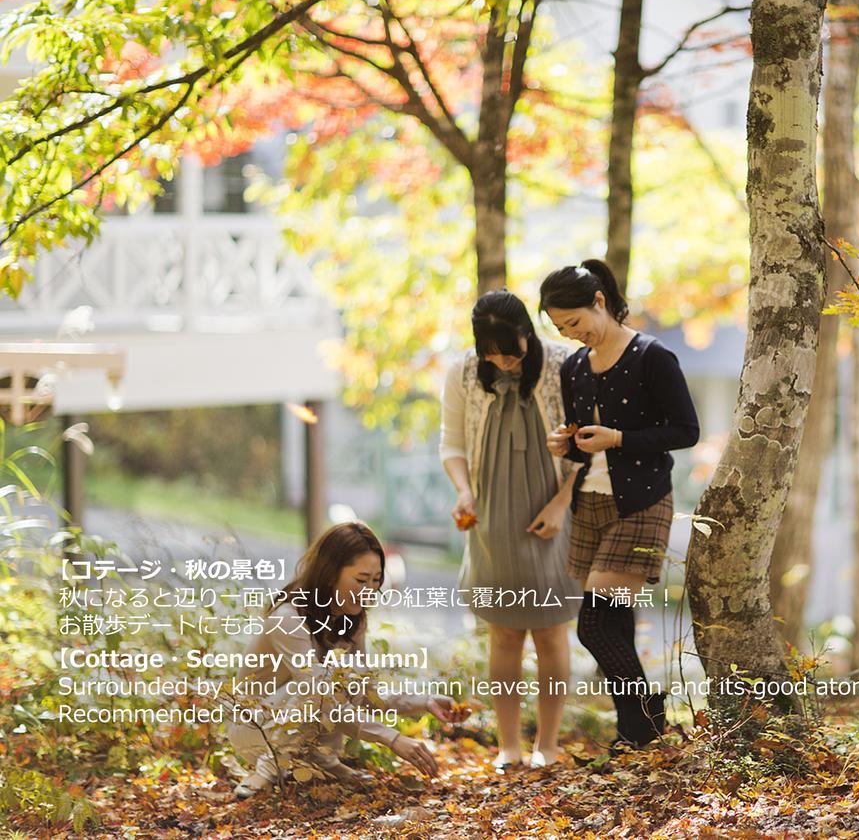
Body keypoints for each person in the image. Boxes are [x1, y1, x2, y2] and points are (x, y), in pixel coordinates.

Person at [539, 259, 700, 749]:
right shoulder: (573, 368)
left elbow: (685, 431)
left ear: (600, 302)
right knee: (614, 625)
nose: (572, 334)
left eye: (576, 322)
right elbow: (582, 436)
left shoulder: (652, 356)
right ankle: (637, 731)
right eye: (562, 328)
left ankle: (647, 714)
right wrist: (564, 443)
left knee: (592, 623)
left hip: (642, 501)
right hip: (590, 502)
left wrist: (619, 438)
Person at [439, 291, 582, 770]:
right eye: (492, 352)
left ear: (529, 333)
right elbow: (452, 443)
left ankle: (548, 743)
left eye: (511, 350)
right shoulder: (462, 372)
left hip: (552, 509)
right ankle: (509, 746)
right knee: (503, 633)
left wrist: (564, 503)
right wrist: (463, 490)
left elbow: (591, 440)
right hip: (491, 511)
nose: (502, 360)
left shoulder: (564, 364)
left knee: (551, 632)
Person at [227, 521, 463, 798]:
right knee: (319, 686)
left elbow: (362, 693)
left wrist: (424, 702)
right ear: (329, 574)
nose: (369, 590)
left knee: (344, 681)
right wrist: (392, 738)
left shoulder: (351, 621)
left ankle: (323, 763)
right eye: (361, 580)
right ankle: (266, 771)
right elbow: (320, 697)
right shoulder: (288, 618)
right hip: (254, 729)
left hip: (293, 724)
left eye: (376, 580)